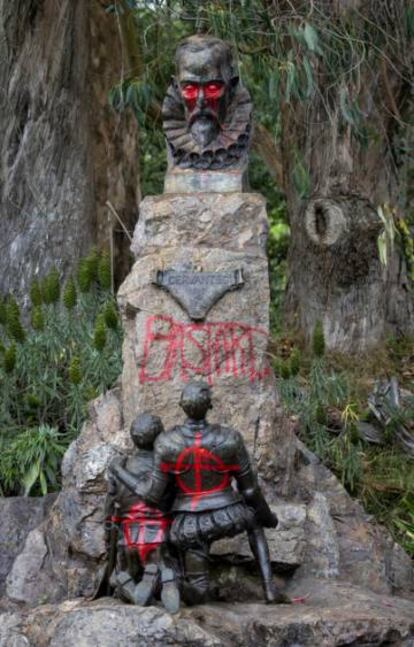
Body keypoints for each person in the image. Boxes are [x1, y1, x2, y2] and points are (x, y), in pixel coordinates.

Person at [110, 381, 290, 605]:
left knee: (199, 589)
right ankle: (269, 588)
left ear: (181, 406)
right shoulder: (230, 438)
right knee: (255, 524)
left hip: (189, 523)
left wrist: (118, 470)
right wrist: (267, 517)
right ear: (210, 405)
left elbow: (151, 495)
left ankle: (174, 583)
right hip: (230, 513)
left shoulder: (166, 443)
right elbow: (250, 490)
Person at [105, 413, 180, 613]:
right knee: (167, 566)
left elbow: (110, 507)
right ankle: (162, 577)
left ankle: (127, 585)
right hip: (159, 533)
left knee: (125, 571)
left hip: (129, 536)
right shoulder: (164, 466)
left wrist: (108, 535)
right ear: (159, 438)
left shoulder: (119, 467)